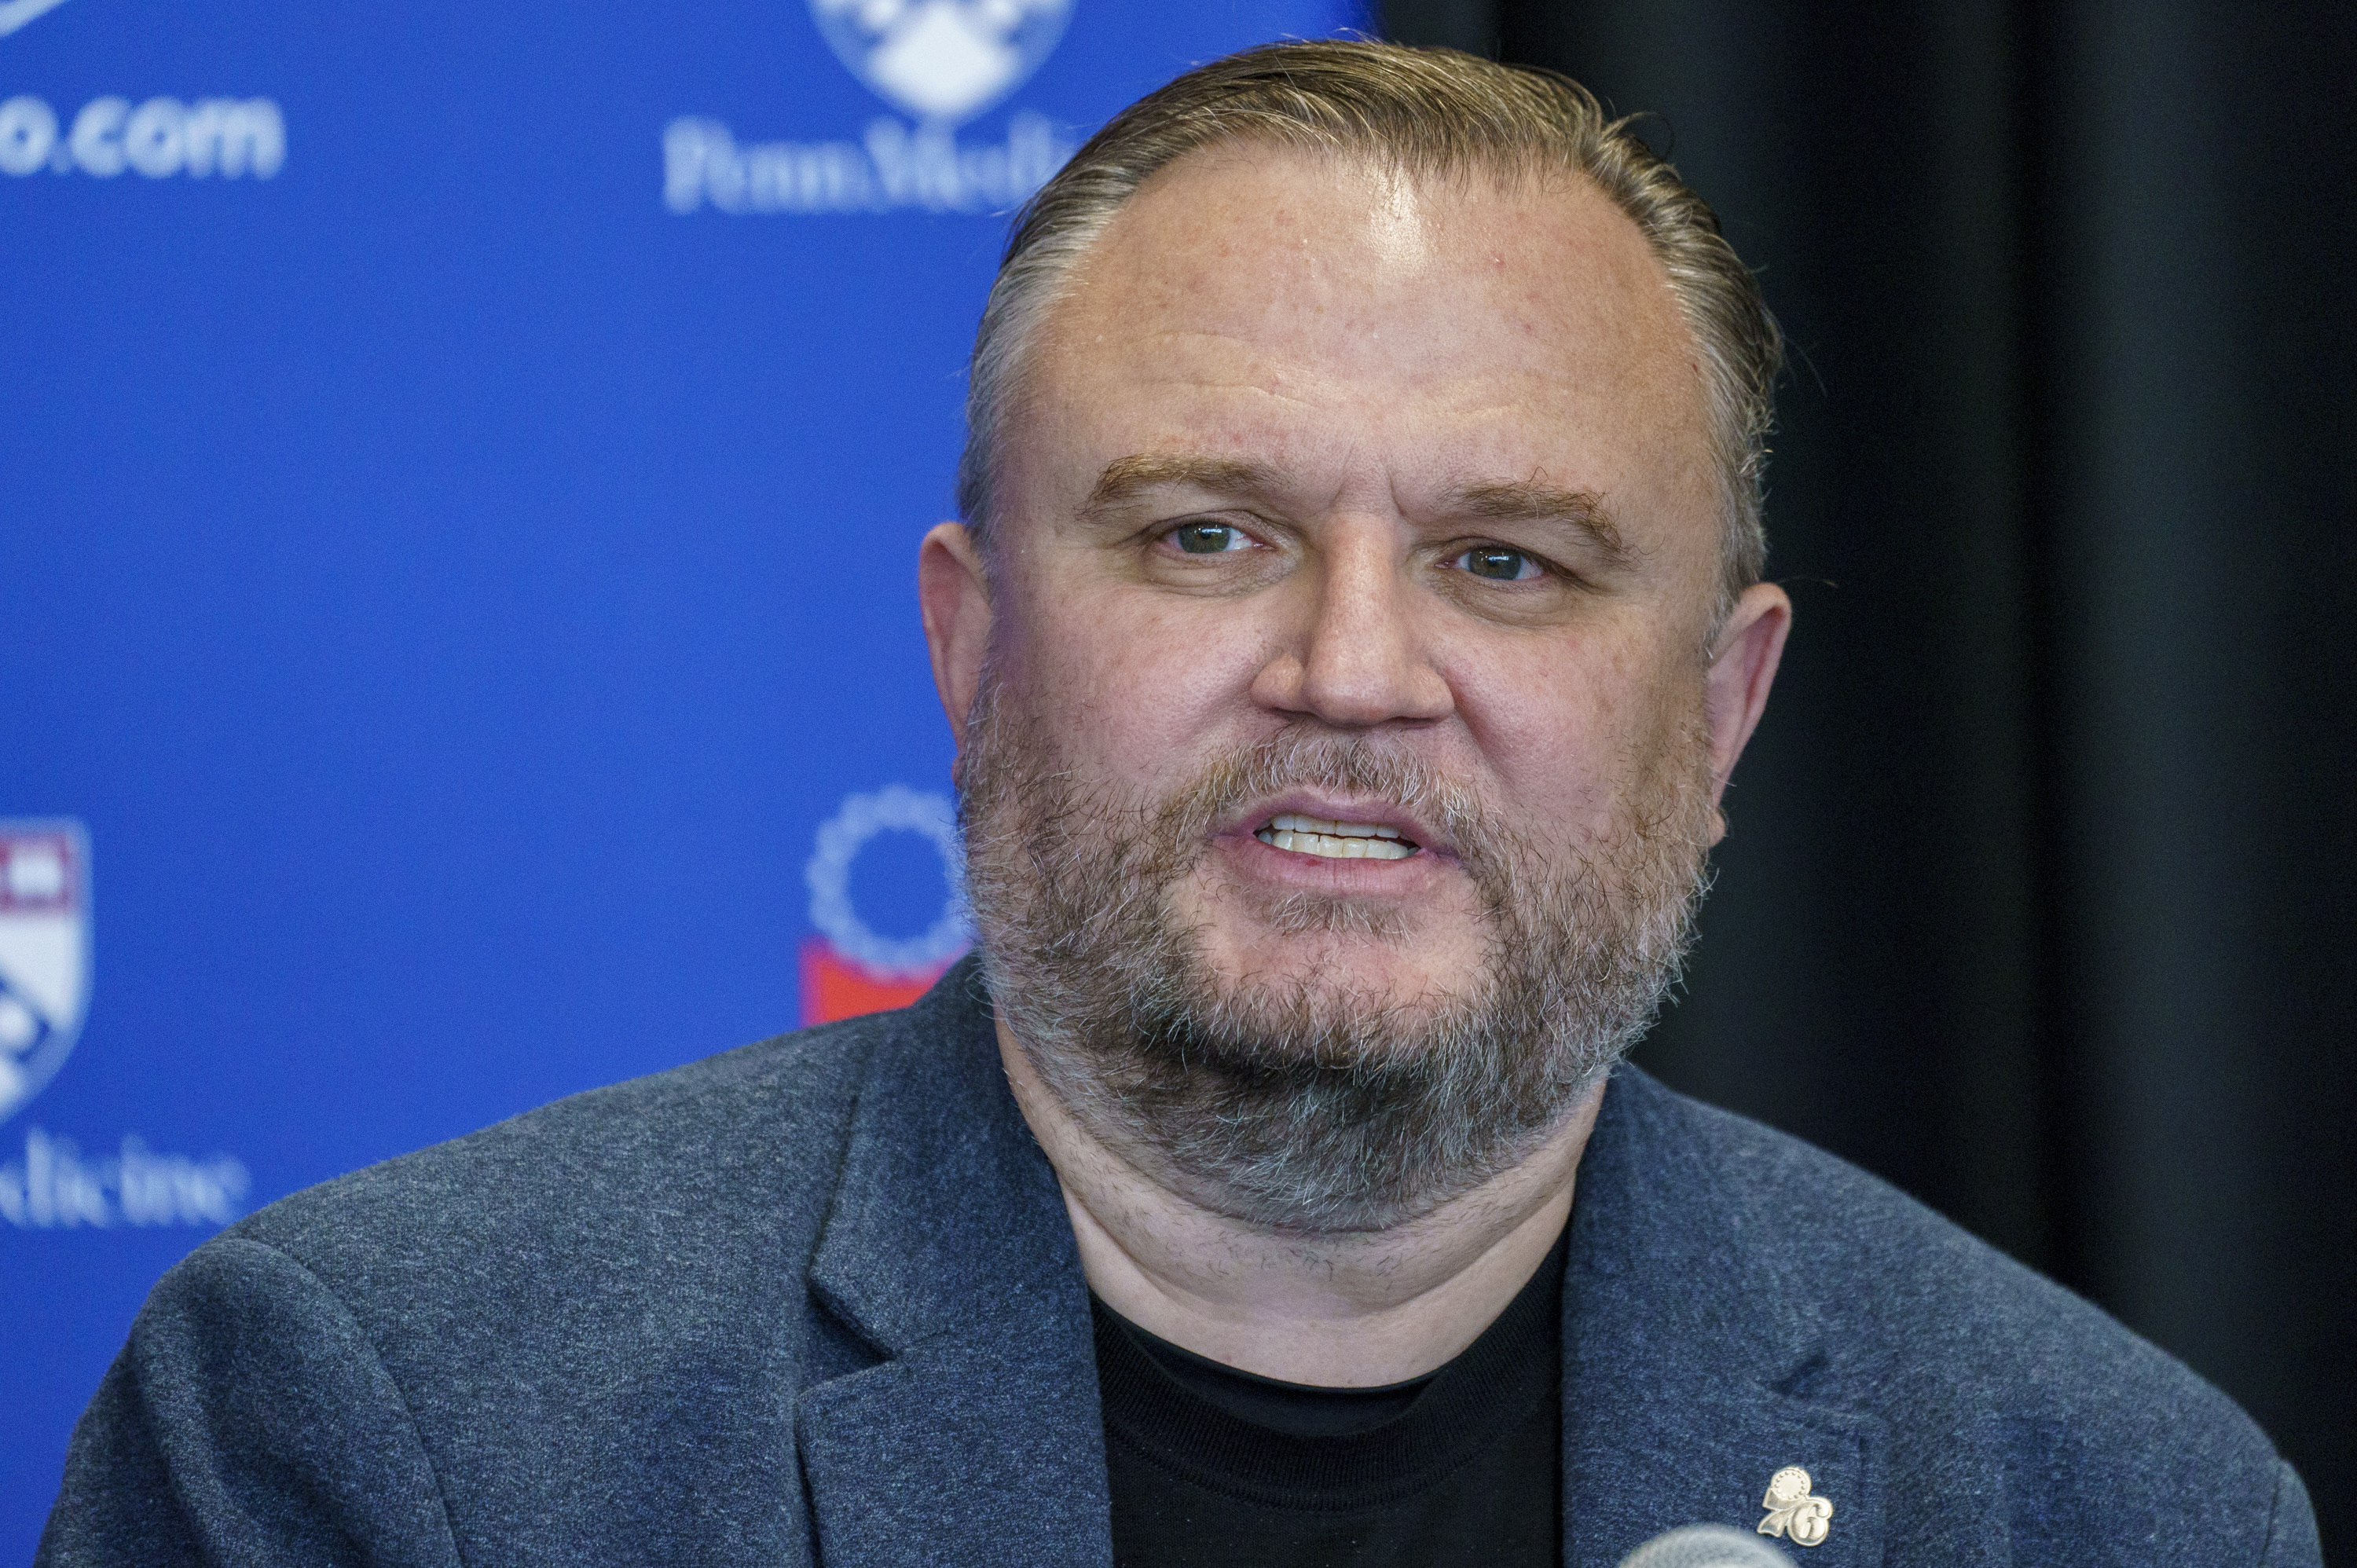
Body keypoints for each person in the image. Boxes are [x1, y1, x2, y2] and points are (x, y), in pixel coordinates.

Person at [38, 40, 2318, 1568]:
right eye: (1207, 533)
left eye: (1505, 561)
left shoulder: (2101, 1500)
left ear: (1721, 713)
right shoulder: (387, 1431)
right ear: (970, 639)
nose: (1350, 671)